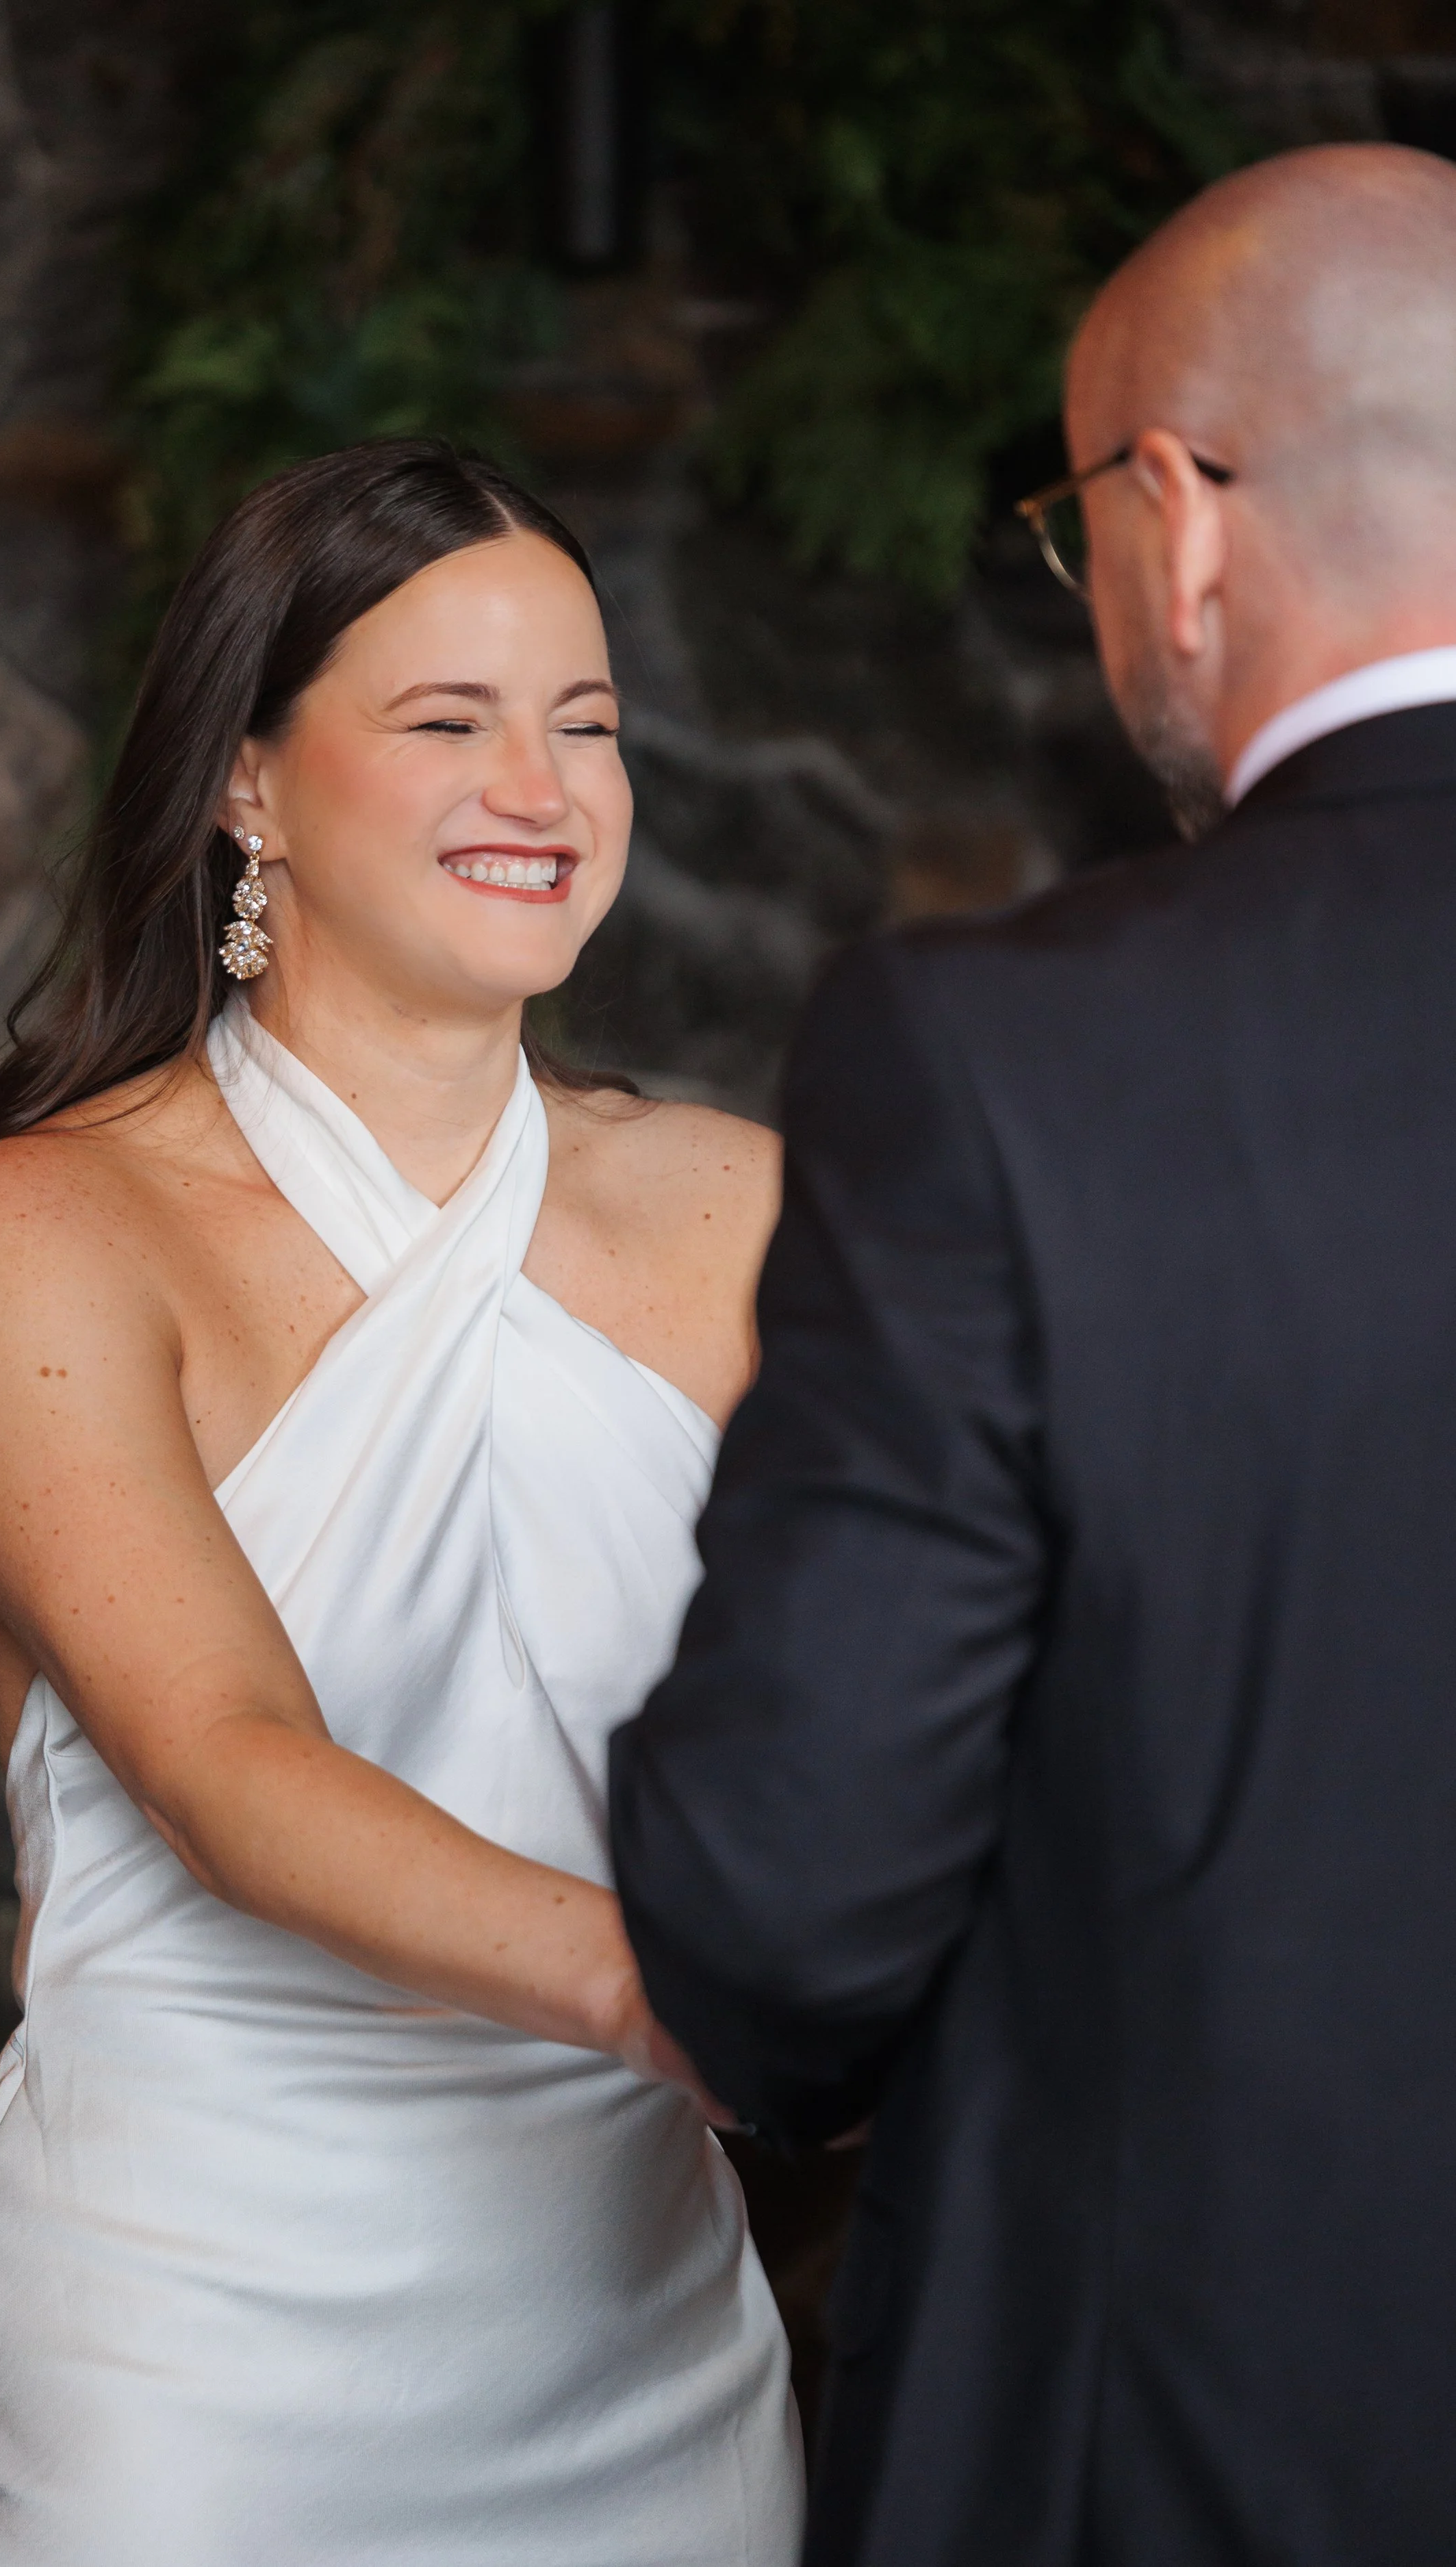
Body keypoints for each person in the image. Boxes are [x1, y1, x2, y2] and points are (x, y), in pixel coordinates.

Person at [609, 140, 1456, 2567]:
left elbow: (782, 1888)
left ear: (1178, 515)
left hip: (1185, 2433)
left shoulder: (1006, 1062)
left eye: (1073, 526)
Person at [0, 439, 801, 2564]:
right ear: (247, 782)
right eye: (445, 718)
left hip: (640, 2345)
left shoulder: (753, 1210)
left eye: (585, 723)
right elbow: (224, 1762)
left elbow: (908, 1693)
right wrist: (699, 1992)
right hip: (190, 2360)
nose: (542, 783)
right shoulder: (43, 1229)